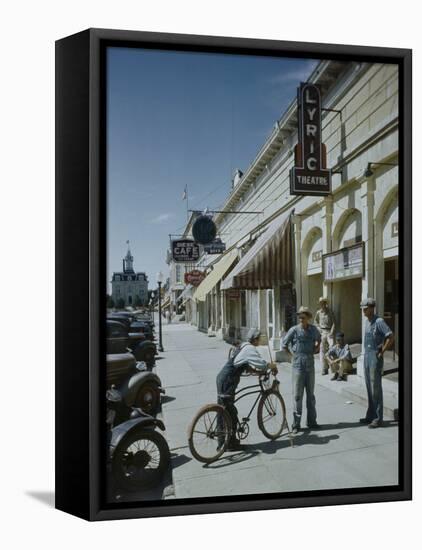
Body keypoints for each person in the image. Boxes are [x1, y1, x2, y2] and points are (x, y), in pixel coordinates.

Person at [216, 328, 277, 450]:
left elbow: (245, 365)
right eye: (259, 338)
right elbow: (261, 363)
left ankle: (223, 441)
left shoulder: (243, 346)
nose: (260, 341)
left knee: (224, 409)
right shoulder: (250, 348)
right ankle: (229, 443)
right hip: (228, 380)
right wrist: (271, 366)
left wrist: (256, 372)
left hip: (224, 378)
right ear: (255, 339)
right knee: (230, 411)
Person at [282, 307, 321, 434]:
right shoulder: (294, 330)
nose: (301, 319)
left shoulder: (313, 329)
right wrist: (292, 356)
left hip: (310, 364)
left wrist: (317, 348)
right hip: (298, 365)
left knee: (311, 395)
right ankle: (296, 424)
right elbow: (284, 344)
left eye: (303, 317)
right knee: (297, 396)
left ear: (308, 317)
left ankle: (312, 421)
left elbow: (318, 339)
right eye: (299, 316)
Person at [360, 298, 394, 428]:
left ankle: (378, 418)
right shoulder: (367, 322)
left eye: (365, 308)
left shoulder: (379, 321)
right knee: (369, 387)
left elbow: (391, 337)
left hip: (375, 355)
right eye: (363, 308)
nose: (363, 311)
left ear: (372, 307)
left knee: (376, 388)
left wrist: (382, 351)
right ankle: (370, 415)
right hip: (367, 356)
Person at [314, 297, 336, 375]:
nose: (322, 304)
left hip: (329, 331)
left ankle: (333, 368)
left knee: (332, 349)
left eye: (323, 303)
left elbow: (334, 323)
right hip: (322, 332)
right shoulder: (318, 313)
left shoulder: (330, 312)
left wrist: (331, 332)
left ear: (326, 303)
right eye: (321, 303)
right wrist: (319, 329)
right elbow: (315, 322)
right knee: (322, 350)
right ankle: (324, 368)